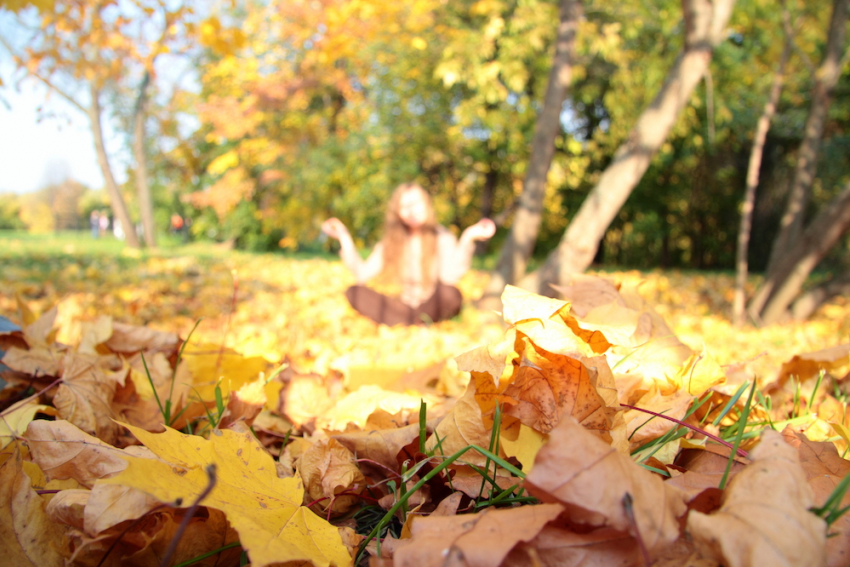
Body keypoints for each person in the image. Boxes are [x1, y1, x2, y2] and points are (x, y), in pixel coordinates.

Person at [322, 182, 496, 325]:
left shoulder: (442, 236)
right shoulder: (391, 241)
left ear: (427, 204)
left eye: (416, 204)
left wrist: (468, 237)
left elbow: (449, 279)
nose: (411, 211)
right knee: (354, 292)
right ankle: (415, 324)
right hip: (401, 307)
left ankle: (412, 322)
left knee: (451, 294)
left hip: (431, 305)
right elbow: (362, 273)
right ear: (398, 212)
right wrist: (344, 237)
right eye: (405, 206)